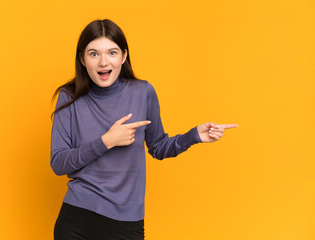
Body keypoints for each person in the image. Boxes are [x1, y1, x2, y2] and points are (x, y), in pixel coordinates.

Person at [50, 19, 239, 240]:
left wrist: (194, 136)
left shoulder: (142, 92)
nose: (103, 62)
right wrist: (107, 141)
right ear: (82, 59)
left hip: (126, 221)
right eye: (94, 54)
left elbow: (158, 147)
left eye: (112, 52)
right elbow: (58, 163)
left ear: (124, 56)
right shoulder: (69, 97)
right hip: (77, 219)